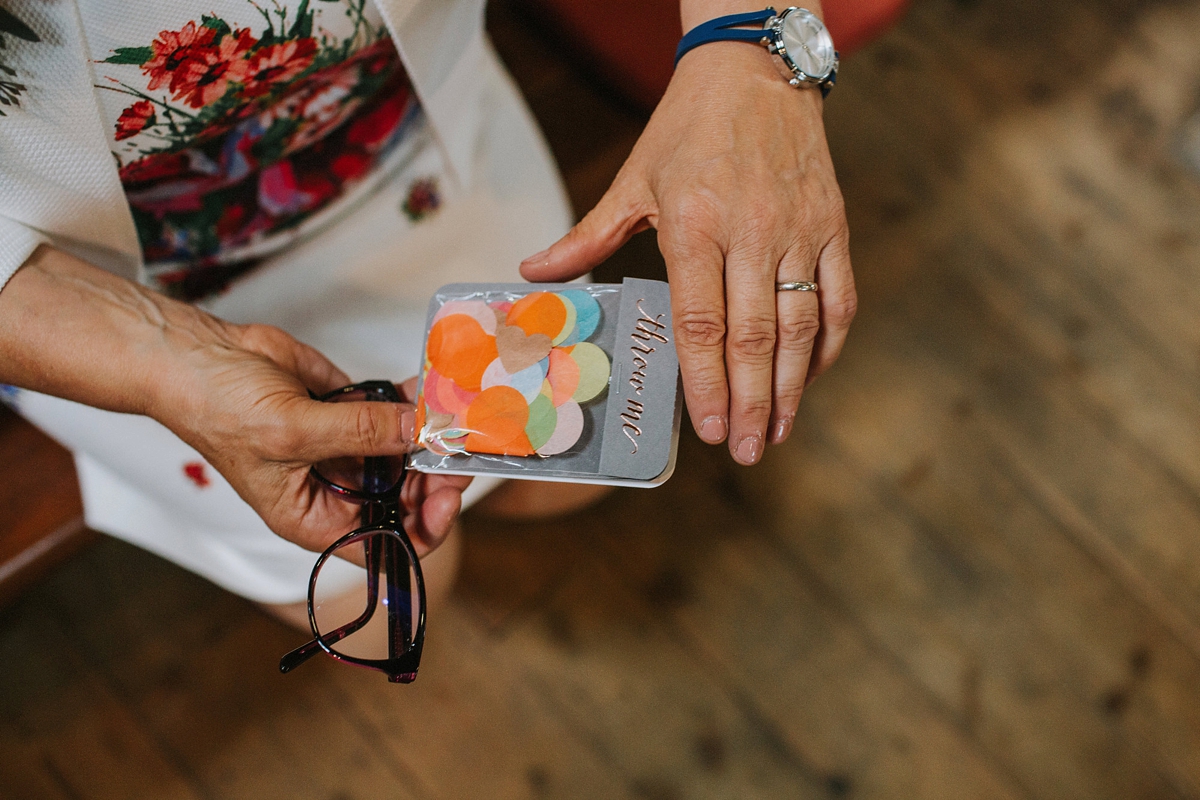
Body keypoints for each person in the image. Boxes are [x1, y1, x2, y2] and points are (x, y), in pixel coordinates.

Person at [0, 0, 853, 621]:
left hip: (420, 139)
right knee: (382, 589)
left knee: (554, 476)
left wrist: (751, 48)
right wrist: (161, 360)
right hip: (84, 286)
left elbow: (754, 40)